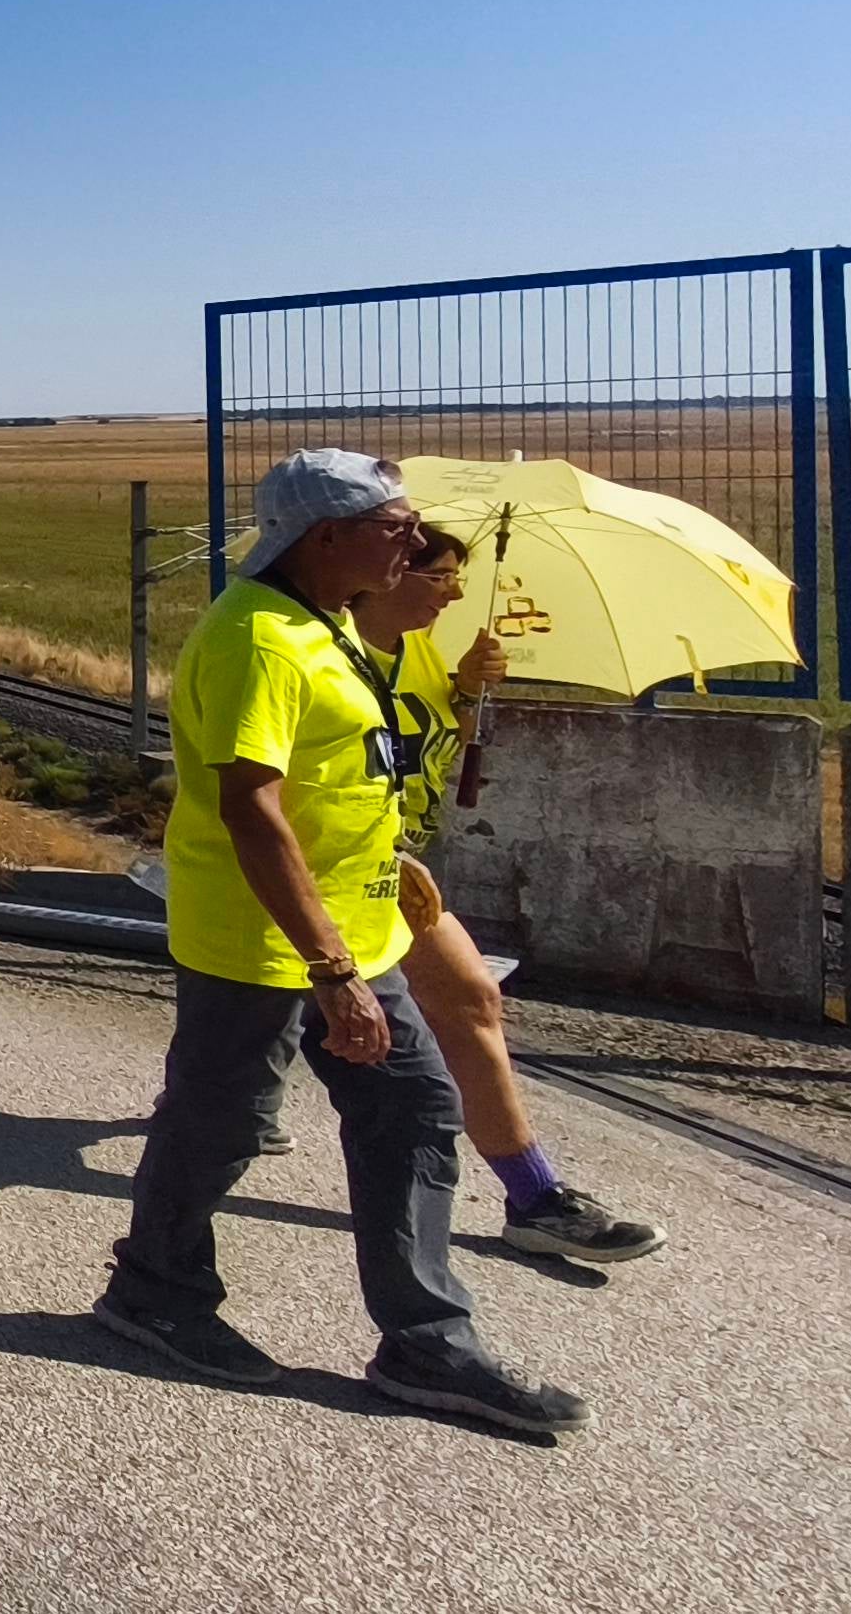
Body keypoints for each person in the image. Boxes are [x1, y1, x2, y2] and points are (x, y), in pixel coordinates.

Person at [97, 450, 593, 1437]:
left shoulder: (328, 627)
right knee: (220, 1122)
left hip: (354, 930)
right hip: (262, 941)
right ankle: (152, 1287)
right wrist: (331, 973)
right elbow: (252, 811)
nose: (415, 541)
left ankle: (424, 1340)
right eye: (395, 525)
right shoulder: (259, 641)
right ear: (324, 538)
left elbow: (349, 774)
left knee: (413, 1110)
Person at [349, 523, 664, 1262]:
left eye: (461, 577)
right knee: (245, 1045)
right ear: (388, 573)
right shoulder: (327, 656)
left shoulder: (421, 652)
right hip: (341, 872)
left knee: (467, 1001)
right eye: (440, 577)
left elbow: (432, 749)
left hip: (393, 876)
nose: (457, 591)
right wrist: (383, 848)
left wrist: (465, 692)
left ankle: (534, 1198)